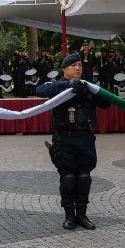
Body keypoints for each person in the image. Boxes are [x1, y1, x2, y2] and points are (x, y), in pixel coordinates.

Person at [36, 53, 111, 230]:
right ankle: (69, 215)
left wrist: (87, 91)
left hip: (85, 138)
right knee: (68, 179)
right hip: (64, 139)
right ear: (64, 69)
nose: (77, 68)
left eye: (79, 65)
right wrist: (68, 85)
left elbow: (106, 102)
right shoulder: (57, 85)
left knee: (84, 178)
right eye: (73, 65)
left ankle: (82, 215)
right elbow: (40, 90)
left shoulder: (88, 87)